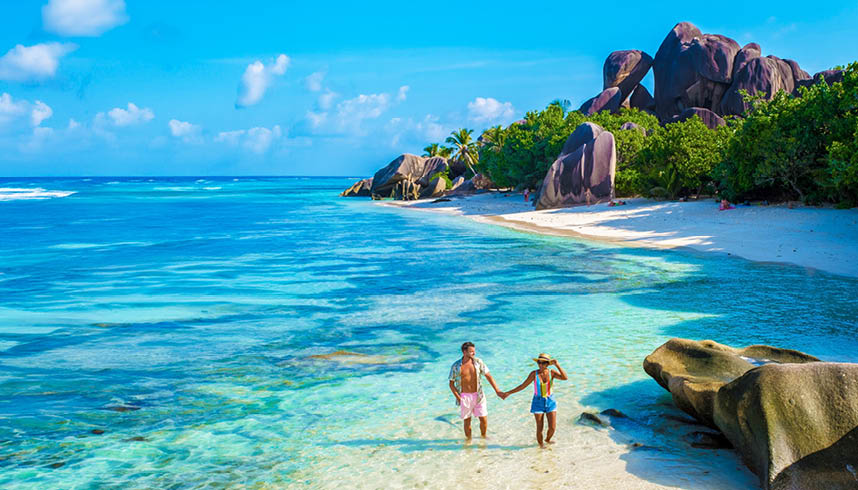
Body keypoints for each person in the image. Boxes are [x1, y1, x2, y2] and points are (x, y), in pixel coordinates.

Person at [500, 353, 568, 448]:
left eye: (543, 363)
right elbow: (522, 386)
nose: (540, 365)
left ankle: (547, 439)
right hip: (538, 402)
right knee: (539, 427)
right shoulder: (534, 374)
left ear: (548, 364)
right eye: (539, 362)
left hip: (550, 401)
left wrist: (557, 364)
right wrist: (508, 393)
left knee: (552, 427)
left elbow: (565, 378)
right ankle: (541, 446)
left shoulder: (551, 372)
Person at [448, 342, 503, 440]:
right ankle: (468, 441)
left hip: (479, 395)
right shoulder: (456, 366)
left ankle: (483, 437)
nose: (474, 353)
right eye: (471, 352)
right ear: (464, 352)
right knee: (467, 422)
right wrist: (459, 398)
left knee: (483, 419)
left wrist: (497, 390)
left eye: (474, 351)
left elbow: (488, 376)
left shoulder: (478, 362)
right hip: (464, 396)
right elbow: (451, 384)